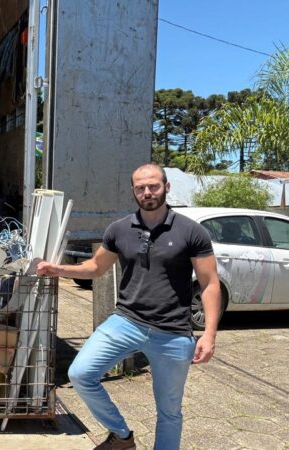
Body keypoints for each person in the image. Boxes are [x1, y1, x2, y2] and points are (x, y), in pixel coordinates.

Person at [37, 163, 221, 450]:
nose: (147, 192)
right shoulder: (119, 229)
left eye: (153, 186)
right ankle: (122, 437)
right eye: (140, 188)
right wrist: (57, 269)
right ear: (134, 191)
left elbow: (210, 284)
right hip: (126, 322)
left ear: (166, 187)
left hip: (173, 332)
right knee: (81, 374)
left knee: (169, 412)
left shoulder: (191, 231)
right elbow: (96, 268)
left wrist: (209, 334)